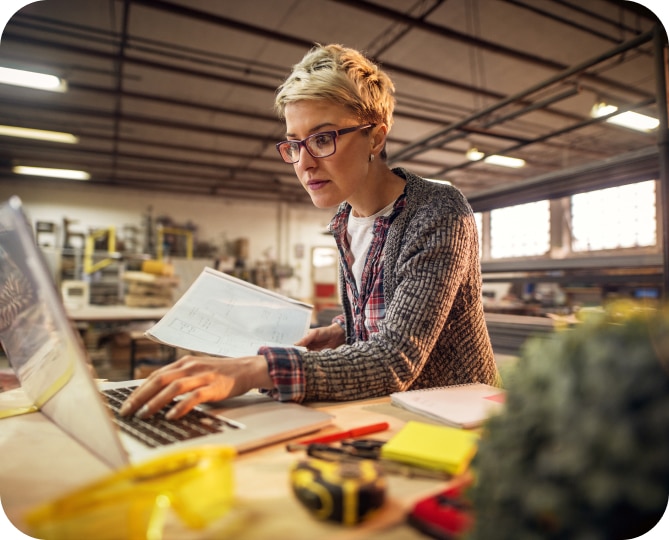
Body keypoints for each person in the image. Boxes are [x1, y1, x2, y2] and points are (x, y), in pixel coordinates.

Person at [120, 43, 499, 420]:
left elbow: (395, 358)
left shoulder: (438, 212)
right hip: (390, 413)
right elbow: (395, 308)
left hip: (459, 422)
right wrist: (345, 328)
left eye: (322, 139)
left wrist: (254, 370)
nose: (304, 163)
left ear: (376, 137)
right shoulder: (344, 221)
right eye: (294, 144)